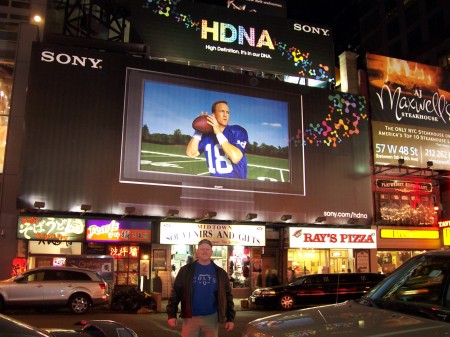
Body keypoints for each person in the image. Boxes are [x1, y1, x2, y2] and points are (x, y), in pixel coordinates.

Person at [167, 239, 235, 337]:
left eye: (207, 249)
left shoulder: (220, 273)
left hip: (212, 318)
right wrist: (171, 315)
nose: (204, 251)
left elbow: (228, 296)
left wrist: (230, 319)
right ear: (197, 251)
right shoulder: (185, 270)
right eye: (202, 249)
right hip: (190, 318)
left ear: (211, 252)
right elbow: (176, 293)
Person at [186, 100, 248, 179]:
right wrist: (198, 131)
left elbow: (235, 157)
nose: (225, 115)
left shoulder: (237, 131)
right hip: (214, 186)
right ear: (214, 115)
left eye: (227, 112)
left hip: (236, 187)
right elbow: (191, 153)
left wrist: (218, 132)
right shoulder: (207, 135)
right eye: (222, 111)